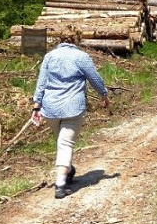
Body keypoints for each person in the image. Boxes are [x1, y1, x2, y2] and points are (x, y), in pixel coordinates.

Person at [31, 31, 110, 199]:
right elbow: (94, 78)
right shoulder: (81, 57)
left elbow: (41, 82)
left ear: (61, 39)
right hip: (73, 107)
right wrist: (103, 94)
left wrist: (36, 105)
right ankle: (60, 185)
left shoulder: (49, 56)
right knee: (65, 144)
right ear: (78, 40)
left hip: (50, 108)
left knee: (61, 142)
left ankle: (69, 169)